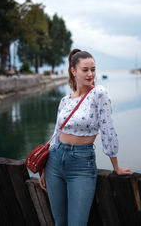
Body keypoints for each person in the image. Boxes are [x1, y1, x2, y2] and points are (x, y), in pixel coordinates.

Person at [39, 49, 133, 226]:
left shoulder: (99, 94)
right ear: (73, 71)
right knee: (59, 222)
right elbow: (56, 133)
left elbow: (108, 129)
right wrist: (44, 166)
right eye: (85, 70)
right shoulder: (65, 100)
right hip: (54, 162)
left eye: (93, 69)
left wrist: (116, 166)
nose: (90, 74)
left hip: (81, 164)